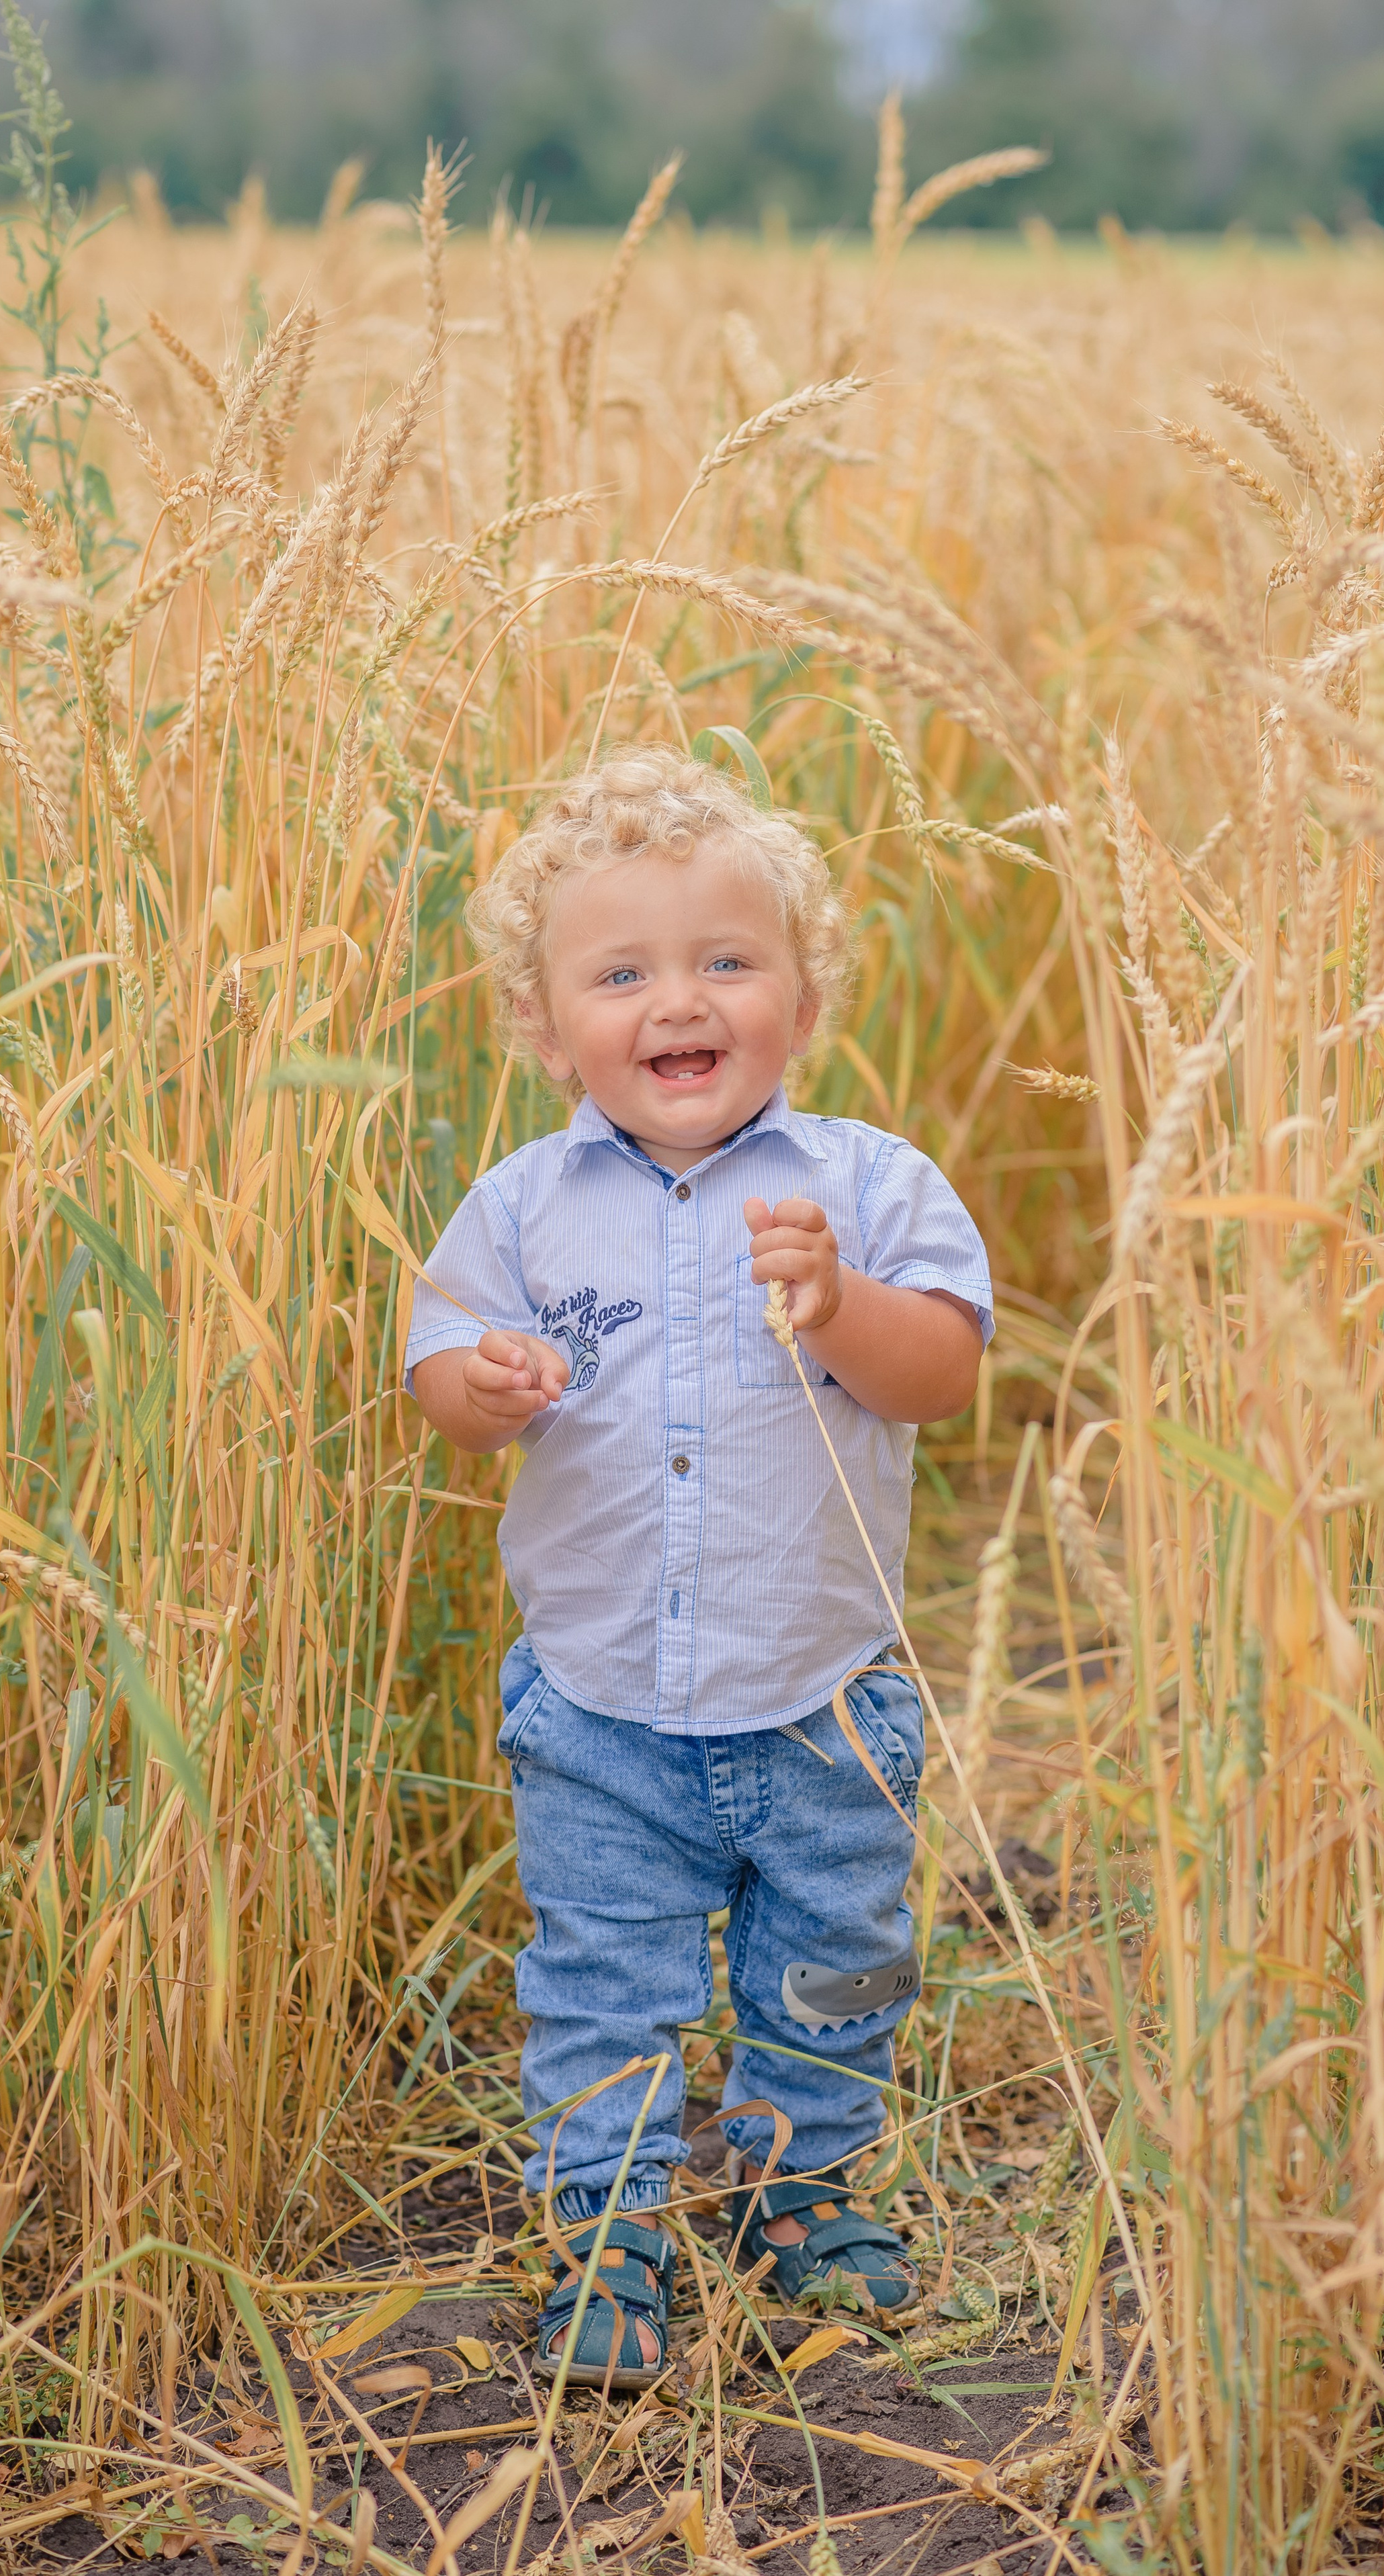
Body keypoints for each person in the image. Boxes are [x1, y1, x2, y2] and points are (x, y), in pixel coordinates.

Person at [406, 747, 992, 2387]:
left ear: (803, 1000)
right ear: (543, 1026)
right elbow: (441, 1380)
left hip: (816, 1696)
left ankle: (804, 2191)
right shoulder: (520, 1210)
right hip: (598, 1706)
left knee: (836, 1959)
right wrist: (489, 1381)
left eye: (728, 959)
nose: (682, 999)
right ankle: (606, 2227)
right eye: (623, 972)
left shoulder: (867, 1187)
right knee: (602, 1980)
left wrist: (842, 1305)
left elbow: (940, 1371)